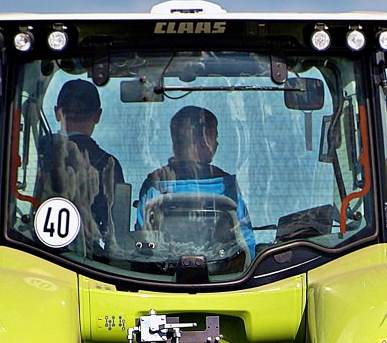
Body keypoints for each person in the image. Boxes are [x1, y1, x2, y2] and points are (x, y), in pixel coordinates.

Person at [138, 105, 254, 260]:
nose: (217, 144)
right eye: (215, 138)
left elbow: (143, 241)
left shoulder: (155, 185)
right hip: (226, 275)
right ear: (203, 141)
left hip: (163, 276)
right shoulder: (228, 188)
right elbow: (247, 244)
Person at [35, 79, 129, 252]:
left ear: (57, 112)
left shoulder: (38, 156)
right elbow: (115, 227)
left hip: (39, 251)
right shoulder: (110, 164)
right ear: (97, 115)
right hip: (92, 259)